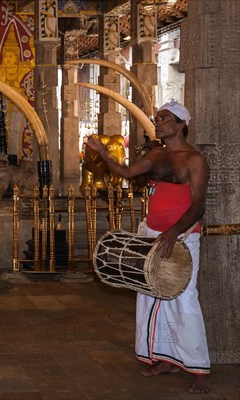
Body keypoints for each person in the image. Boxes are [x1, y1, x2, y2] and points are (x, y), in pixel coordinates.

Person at [86, 99, 211, 394]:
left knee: (183, 299)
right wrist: (102, 152)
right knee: (151, 298)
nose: (158, 122)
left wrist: (172, 233)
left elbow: (198, 205)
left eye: (164, 118)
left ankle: (200, 368)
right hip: (151, 233)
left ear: (181, 124)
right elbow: (127, 173)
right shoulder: (156, 155)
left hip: (181, 236)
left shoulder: (195, 159)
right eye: (157, 118)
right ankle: (165, 358)